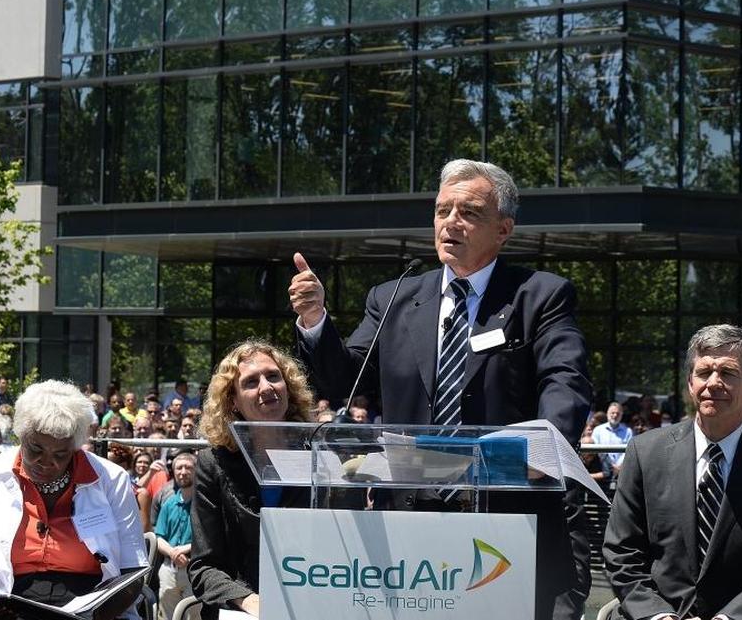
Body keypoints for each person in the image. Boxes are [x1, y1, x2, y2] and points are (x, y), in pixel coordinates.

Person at [288, 158, 592, 620]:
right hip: (408, 528)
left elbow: (564, 380)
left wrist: (543, 448)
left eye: (468, 212)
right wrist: (315, 322)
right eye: (442, 210)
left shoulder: (539, 296)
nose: (450, 222)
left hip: (507, 521)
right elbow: (347, 379)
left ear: (503, 229)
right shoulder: (393, 296)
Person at [602, 324, 742, 620]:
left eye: (728, 373)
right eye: (704, 372)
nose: (714, 383)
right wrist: (657, 615)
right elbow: (621, 553)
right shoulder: (644, 453)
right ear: (690, 383)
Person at [0, 380, 147, 619]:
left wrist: (94, 617)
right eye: (36, 449)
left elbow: (133, 573)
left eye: (61, 453)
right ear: (21, 436)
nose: (47, 461)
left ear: (75, 447)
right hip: (11, 609)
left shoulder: (112, 479)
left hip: (94, 610)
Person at [189, 341, 313, 620]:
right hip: (242, 609)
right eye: (251, 382)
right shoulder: (213, 463)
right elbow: (203, 567)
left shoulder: (317, 455)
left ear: (288, 387)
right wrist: (248, 601)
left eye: (273, 376)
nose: (266, 387)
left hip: (310, 601)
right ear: (232, 401)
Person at [155, 453, 197, 620]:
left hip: (193, 568)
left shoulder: (204, 504)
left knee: (193, 615)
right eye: (179, 468)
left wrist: (184, 550)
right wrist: (174, 553)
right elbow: (159, 538)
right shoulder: (169, 503)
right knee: (166, 616)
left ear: (197, 471)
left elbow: (211, 538)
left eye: (188, 467)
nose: (183, 472)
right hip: (168, 569)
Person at [591, 402, 632, 481]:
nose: (615, 415)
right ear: (607, 413)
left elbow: (629, 451)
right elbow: (595, 451)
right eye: (612, 413)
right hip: (601, 469)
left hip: (622, 471)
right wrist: (610, 465)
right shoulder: (598, 430)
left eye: (618, 413)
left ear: (621, 415)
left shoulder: (628, 431)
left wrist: (618, 466)